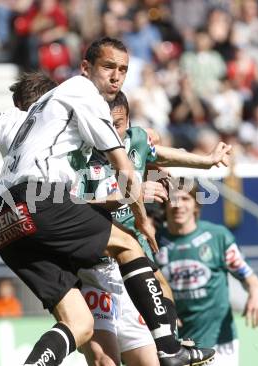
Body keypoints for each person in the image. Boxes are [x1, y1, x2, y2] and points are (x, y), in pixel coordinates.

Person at [0, 37, 215, 366]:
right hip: (41, 203)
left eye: (122, 70)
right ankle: (170, 350)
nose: (116, 77)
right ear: (82, 71)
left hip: (4, 219)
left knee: (79, 325)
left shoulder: (8, 120)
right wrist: (141, 212)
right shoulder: (82, 96)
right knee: (128, 244)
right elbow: (123, 164)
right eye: (110, 68)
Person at [75, 91, 231, 366]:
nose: (112, 131)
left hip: (132, 256)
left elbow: (158, 151)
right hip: (96, 264)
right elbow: (71, 208)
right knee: (104, 361)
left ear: (129, 121)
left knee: (160, 292)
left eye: (119, 124)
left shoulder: (136, 139)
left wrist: (206, 160)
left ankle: (170, 342)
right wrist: (133, 192)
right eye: (105, 124)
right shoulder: (80, 152)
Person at [156, 184, 258, 366]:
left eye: (185, 199)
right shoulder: (154, 242)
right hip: (178, 345)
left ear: (197, 205)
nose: (178, 205)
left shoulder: (217, 237)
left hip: (220, 342)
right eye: (172, 199)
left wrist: (255, 293)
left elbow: (248, 277)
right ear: (164, 205)